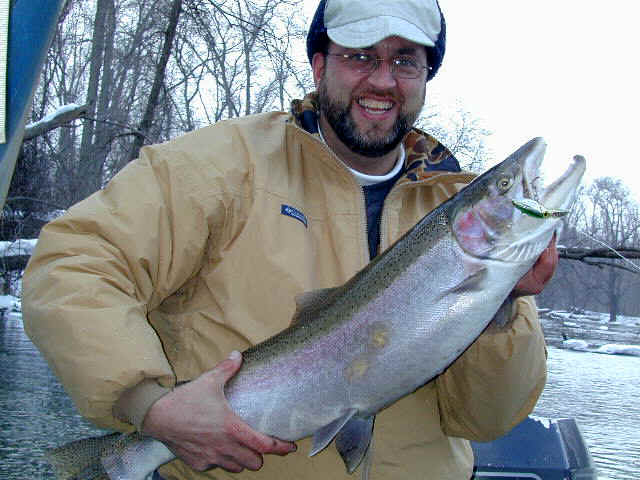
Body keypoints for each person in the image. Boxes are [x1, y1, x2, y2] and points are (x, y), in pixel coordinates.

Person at [22, 0, 553, 478]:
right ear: (320, 65)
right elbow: (74, 262)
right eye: (360, 56)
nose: (383, 80)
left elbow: (487, 419)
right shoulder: (222, 163)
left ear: (425, 77)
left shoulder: (461, 221)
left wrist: (504, 308)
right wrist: (150, 404)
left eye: (405, 60)